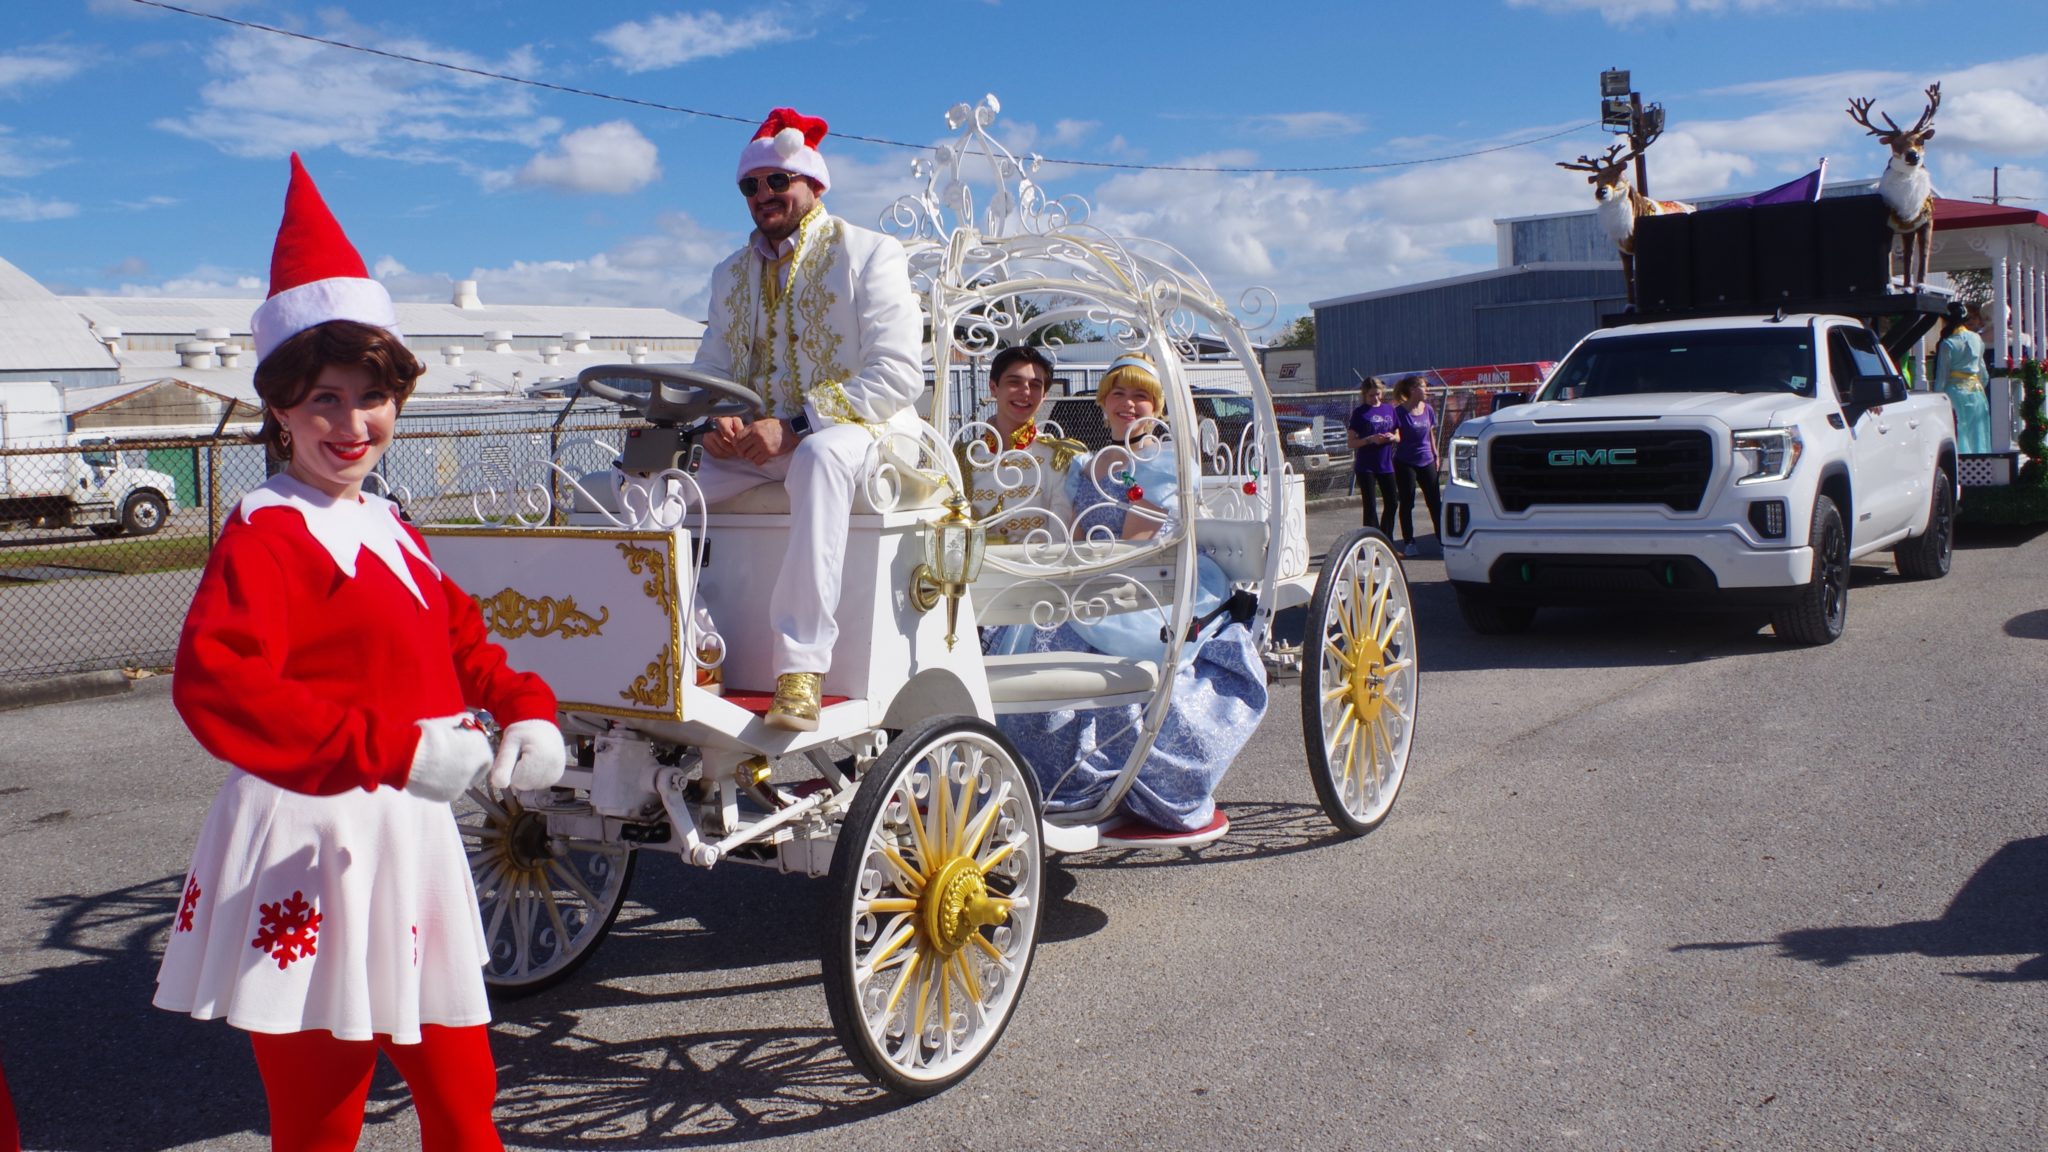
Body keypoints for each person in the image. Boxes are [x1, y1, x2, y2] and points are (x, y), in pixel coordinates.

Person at [154, 155, 565, 1151]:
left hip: (408, 840)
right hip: (312, 843)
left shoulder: (386, 522)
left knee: (464, 1100)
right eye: (325, 400)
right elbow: (217, 685)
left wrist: (525, 705)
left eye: (372, 397)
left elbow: (459, 638)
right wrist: (393, 749)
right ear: (281, 409)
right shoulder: (266, 531)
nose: (352, 424)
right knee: (319, 1119)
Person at [689, 107, 924, 731]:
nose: (763, 194)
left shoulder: (868, 252)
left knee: (819, 457)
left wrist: (795, 425)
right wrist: (717, 418)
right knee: (646, 486)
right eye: (750, 185)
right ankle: (691, 644)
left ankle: (800, 668)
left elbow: (899, 376)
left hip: (864, 436)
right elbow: (711, 367)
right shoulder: (728, 274)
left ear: (814, 184)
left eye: (777, 180)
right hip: (757, 447)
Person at [993, 354, 1268, 839]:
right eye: (1118, 393)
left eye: (1141, 395)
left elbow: (1137, 543)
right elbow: (1074, 534)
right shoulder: (1086, 463)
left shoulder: (1161, 460)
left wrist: (1079, 577)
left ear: (1157, 407)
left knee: (1072, 630)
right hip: (1090, 576)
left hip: (1149, 581)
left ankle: (1097, 773)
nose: (1128, 404)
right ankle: (1028, 772)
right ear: (1103, 403)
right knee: (1028, 629)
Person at [957, 344, 1085, 544]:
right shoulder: (962, 457)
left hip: (1039, 563)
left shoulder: (1060, 458)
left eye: (1035, 385)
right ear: (994, 387)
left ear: (1044, 396)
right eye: (1014, 382)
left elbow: (1060, 540)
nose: (1025, 391)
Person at [1391, 375, 1442, 557]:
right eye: (1423, 386)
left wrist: (1436, 455)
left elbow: (1430, 433)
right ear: (1413, 390)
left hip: (1426, 459)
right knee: (1407, 501)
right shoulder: (1399, 412)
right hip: (1406, 462)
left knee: (1435, 502)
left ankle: (1442, 541)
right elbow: (1395, 435)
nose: (1427, 390)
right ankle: (1409, 542)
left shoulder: (1428, 409)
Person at [1933, 307, 1990, 454]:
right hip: (1977, 390)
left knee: (1959, 431)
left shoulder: (1948, 343)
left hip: (1955, 392)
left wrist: (1936, 398)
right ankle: (1981, 462)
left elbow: (1942, 376)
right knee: (1978, 432)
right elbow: (1983, 374)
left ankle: (1962, 463)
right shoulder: (1976, 338)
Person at [1346, 376, 1399, 534]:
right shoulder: (1360, 413)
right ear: (1365, 395)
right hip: (1366, 465)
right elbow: (1351, 443)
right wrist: (1370, 439)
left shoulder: (1389, 409)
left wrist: (1392, 437)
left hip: (1386, 463)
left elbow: (1398, 434)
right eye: (1371, 395)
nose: (1375, 398)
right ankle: (1371, 538)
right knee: (1370, 506)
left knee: (1392, 502)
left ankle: (1386, 536)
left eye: (1378, 394)